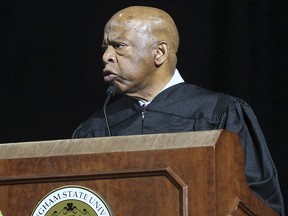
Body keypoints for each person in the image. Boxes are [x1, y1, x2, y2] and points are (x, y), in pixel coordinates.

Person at [72, 5, 285, 215]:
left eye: (118, 45)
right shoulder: (95, 127)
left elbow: (260, 204)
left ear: (160, 52)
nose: (106, 56)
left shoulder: (220, 113)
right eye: (105, 47)